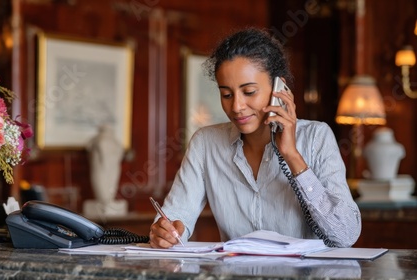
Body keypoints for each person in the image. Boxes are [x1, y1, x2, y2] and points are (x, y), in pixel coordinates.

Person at [149, 27, 361, 249]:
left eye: (249, 92)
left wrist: (291, 155)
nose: (237, 107)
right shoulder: (205, 143)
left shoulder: (316, 137)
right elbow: (175, 218)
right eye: (227, 94)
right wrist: (166, 234)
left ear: (279, 88)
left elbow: (345, 235)